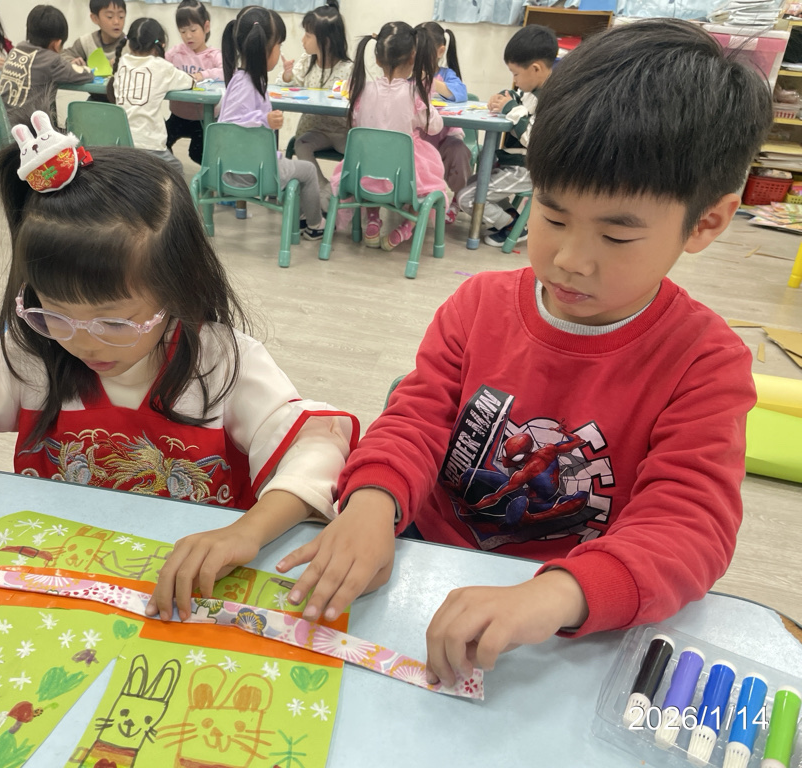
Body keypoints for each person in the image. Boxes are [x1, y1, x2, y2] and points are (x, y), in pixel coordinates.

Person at [277, 19, 771, 688]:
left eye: (616, 237)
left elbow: (688, 525)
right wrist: (373, 500)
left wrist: (557, 595)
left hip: (569, 608)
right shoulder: (478, 305)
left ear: (706, 222)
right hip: (426, 558)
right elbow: (416, 418)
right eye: (553, 216)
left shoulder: (704, 361)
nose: (570, 260)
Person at [0, 112, 358, 623]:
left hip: (188, 589)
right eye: (55, 314)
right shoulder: (33, 356)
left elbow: (317, 446)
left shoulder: (221, 363)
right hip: (66, 587)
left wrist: (246, 531)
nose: (83, 343)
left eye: (114, 321)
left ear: (179, 290)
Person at [330, 21, 448, 250]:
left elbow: (356, 123)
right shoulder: (415, 94)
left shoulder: (361, 89)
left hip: (363, 176)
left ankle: (373, 219)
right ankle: (405, 228)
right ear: (413, 57)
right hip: (404, 181)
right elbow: (434, 127)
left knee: (374, 158)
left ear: (376, 58)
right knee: (432, 181)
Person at [218, 6, 326, 240]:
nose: (280, 51)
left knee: (293, 167)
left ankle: (301, 217)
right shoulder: (249, 85)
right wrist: (263, 119)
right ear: (264, 48)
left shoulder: (238, 79)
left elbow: (223, 121)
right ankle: (316, 223)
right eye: (279, 45)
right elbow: (229, 127)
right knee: (307, 170)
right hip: (254, 172)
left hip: (233, 168)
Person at [454, 24, 556, 246]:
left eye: (515, 74)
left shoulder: (550, 98)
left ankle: (511, 225)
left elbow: (535, 140)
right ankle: (509, 219)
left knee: (466, 197)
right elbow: (520, 102)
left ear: (536, 69)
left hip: (528, 170)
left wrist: (510, 109)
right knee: (473, 182)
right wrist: (506, 97)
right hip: (515, 165)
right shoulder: (532, 92)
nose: (515, 79)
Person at [277, 0, 353, 200]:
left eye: (308, 35)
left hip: (341, 131)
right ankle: (323, 187)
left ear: (326, 41)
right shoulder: (306, 61)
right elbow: (288, 85)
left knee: (357, 152)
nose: (303, 40)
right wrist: (287, 75)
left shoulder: (347, 68)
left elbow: (353, 100)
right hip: (314, 130)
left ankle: (343, 190)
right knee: (301, 144)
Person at [108, 17, 194, 177]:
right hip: (149, 143)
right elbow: (189, 81)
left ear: (129, 43)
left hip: (121, 142)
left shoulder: (122, 62)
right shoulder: (161, 66)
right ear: (160, 45)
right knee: (177, 171)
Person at [0, 5, 93, 126]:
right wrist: (83, 67)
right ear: (56, 44)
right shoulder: (52, 60)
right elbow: (85, 75)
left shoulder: (15, 51)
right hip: (30, 129)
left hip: (3, 125)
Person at [416, 21, 472, 225]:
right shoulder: (407, 75)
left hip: (444, 139)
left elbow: (461, 94)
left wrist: (431, 81)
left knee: (460, 152)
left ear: (440, 51)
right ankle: (412, 196)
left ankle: (457, 198)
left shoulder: (447, 75)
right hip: (417, 140)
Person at [165, 0, 223, 166]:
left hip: (203, 119)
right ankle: (169, 169)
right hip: (178, 115)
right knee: (160, 142)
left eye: (193, 30)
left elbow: (226, 72)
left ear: (206, 27)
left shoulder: (213, 55)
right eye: (183, 31)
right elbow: (161, 66)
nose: (188, 36)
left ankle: (214, 175)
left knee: (197, 153)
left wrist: (202, 75)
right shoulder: (176, 53)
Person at [61, 0, 127, 103]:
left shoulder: (131, 45)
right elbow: (62, 56)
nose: (116, 22)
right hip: (95, 100)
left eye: (121, 16)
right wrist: (72, 62)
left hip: (124, 103)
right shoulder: (86, 42)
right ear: (95, 18)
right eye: (110, 16)